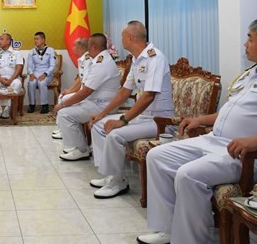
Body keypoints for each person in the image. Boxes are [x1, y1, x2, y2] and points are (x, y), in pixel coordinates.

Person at [137, 16, 257, 244]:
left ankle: (193, 240)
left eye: (250, 39)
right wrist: (201, 119)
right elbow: (232, 111)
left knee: (188, 175)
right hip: (216, 140)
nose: (245, 44)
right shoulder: (254, 72)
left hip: (252, 156)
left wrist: (256, 140)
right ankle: (167, 229)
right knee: (157, 155)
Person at [88, 20, 174, 199]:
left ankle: (118, 182)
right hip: (143, 116)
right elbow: (124, 92)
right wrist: (102, 114)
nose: (121, 39)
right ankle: (111, 175)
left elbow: (149, 95)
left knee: (115, 134)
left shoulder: (155, 58)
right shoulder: (137, 60)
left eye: (122, 36)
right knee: (98, 125)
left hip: (159, 121)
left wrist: (123, 120)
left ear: (131, 38)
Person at [55, 33, 121, 161]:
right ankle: (80, 146)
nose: (87, 49)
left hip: (102, 105)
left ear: (94, 47)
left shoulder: (102, 63)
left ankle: (81, 150)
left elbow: (86, 91)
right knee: (67, 109)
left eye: (89, 46)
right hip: (95, 102)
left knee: (64, 113)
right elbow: (83, 84)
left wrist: (63, 104)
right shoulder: (98, 60)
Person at [52, 37, 91, 140]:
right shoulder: (82, 59)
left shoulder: (88, 60)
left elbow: (83, 83)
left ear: (80, 48)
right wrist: (69, 90)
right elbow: (80, 79)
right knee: (63, 95)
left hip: (87, 95)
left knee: (64, 99)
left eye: (74, 45)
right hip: (83, 92)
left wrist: (70, 92)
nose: (72, 47)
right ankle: (62, 128)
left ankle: (64, 129)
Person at [0, 33, 24, 118]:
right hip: (0, 77)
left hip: (13, 78)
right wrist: (1, 79)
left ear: (8, 41)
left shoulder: (17, 53)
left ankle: (7, 109)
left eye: (2, 39)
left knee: (17, 84)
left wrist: (11, 79)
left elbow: (19, 68)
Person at [26, 31, 56, 114]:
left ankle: (45, 106)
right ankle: (32, 105)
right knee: (31, 83)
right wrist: (31, 74)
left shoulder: (51, 50)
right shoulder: (32, 52)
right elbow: (29, 65)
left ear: (43, 40)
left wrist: (45, 74)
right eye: (34, 39)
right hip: (35, 73)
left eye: (37, 39)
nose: (35, 41)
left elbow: (52, 66)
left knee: (41, 82)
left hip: (47, 73)